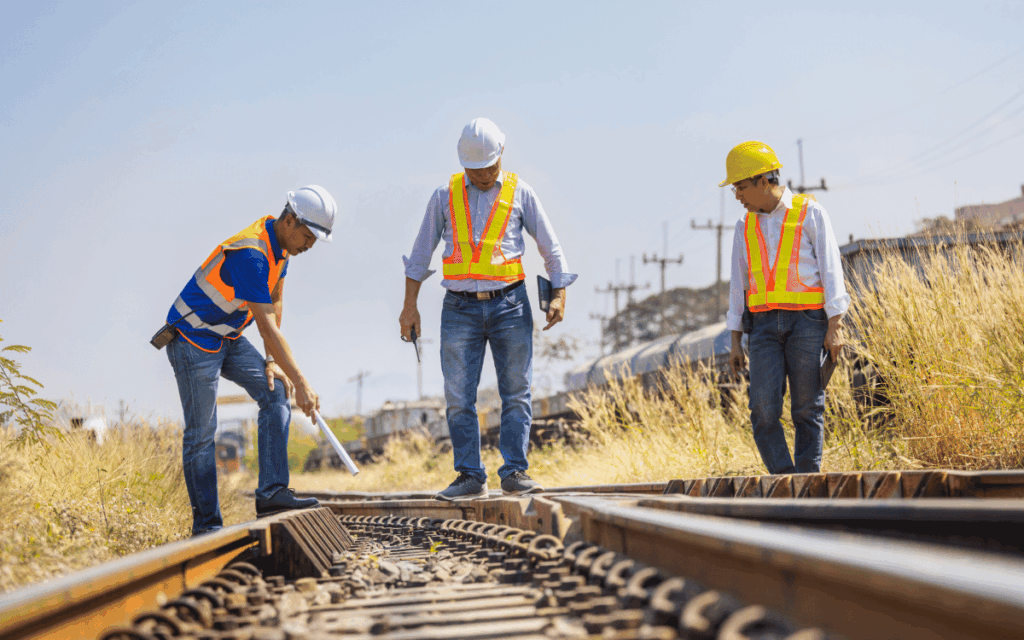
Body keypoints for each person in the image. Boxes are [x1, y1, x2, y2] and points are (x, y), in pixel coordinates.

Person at [400, 118, 577, 500]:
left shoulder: (521, 193)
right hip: (458, 309)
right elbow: (419, 254)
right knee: (459, 397)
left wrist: (559, 293)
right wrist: (409, 306)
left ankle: (514, 471)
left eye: (490, 169)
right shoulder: (443, 196)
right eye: (475, 171)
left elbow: (550, 245)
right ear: (463, 164)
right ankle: (469, 476)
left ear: (502, 157)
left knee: (516, 392)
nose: (483, 176)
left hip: (510, 305)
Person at [163, 185, 336, 535]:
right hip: (193, 337)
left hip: (226, 335)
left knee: (274, 393)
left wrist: (272, 362)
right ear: (290, 221)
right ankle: (207, 527)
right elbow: (267, 326)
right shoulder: (251, 253)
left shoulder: (280, 250)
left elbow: (276, 301)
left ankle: (272, 493)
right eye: (307, 236)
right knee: (202, 433)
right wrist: (302, 382)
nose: (309, 246)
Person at [722, 141, 849, 475]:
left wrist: (835, 326)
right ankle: (784, 480)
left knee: (807, 408)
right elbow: (739, 284)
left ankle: (807, 482)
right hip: (762, 328)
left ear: (764, 181)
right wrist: (735, 339)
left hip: (808, 323)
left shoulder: (810, 213)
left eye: (741, 186)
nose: (737, 195)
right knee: (763, 410)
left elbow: (831, 268)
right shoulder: (743, 226)